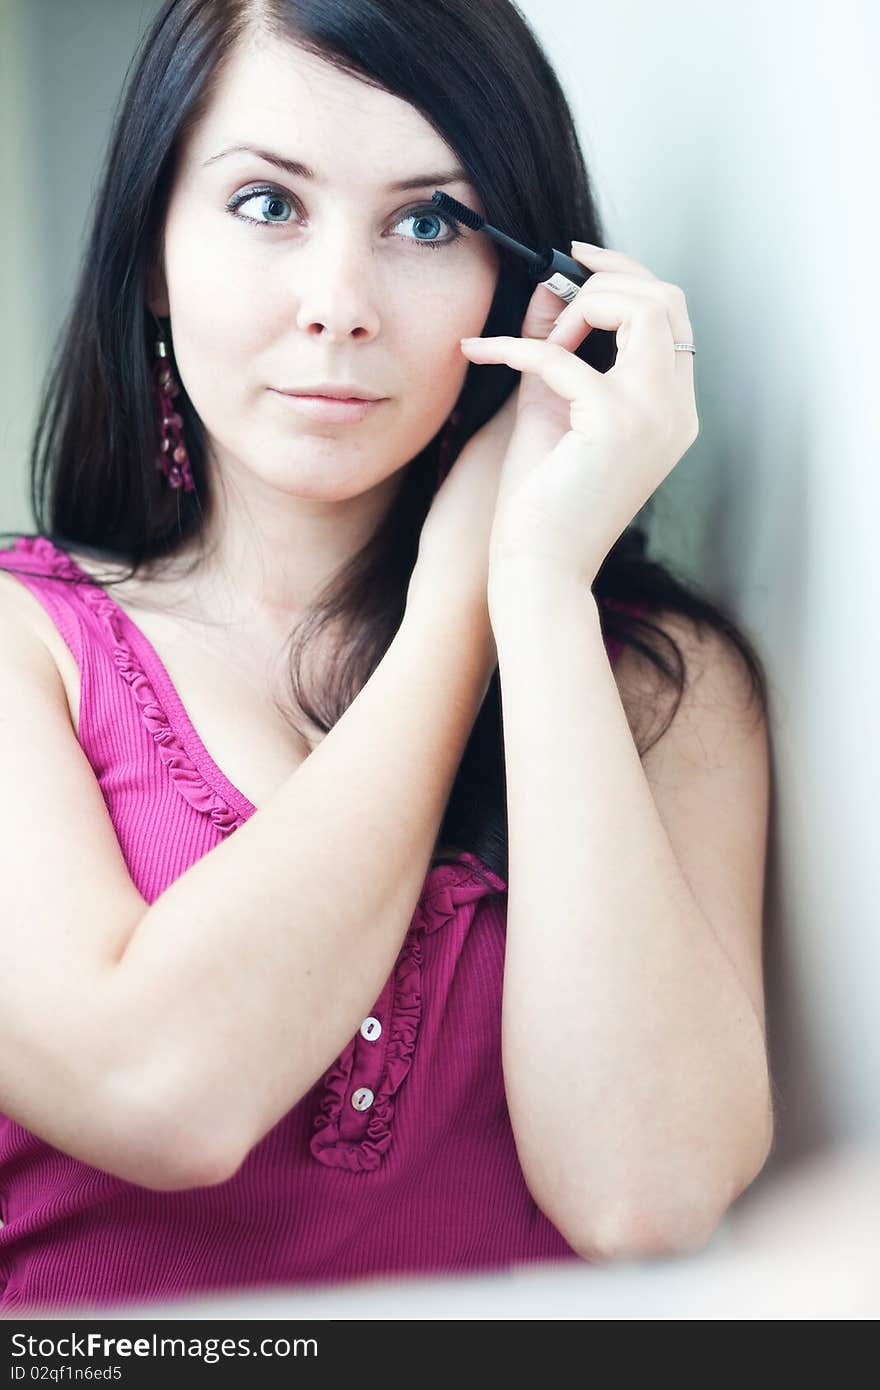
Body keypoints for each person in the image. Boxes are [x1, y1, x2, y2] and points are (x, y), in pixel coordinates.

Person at [0, 0, 775, 1314]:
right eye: (266, 204)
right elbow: (160, 1092)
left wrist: (529, 584)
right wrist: (457, 597)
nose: (340, 306)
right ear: (151, 256)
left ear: (532, 288)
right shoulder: (30, 644)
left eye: (429, 222)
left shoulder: (656, 682)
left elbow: (647, 1196)